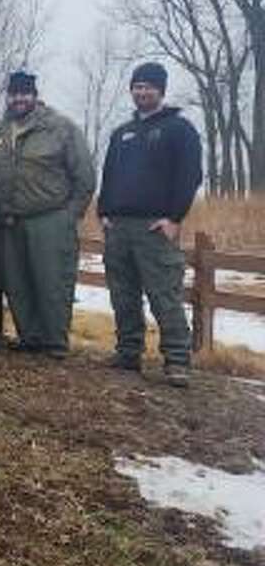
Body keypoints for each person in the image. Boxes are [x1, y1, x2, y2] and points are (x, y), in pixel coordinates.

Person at [97, 62, 203, 388]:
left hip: (154, 228)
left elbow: (190, 176)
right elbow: (109, 175)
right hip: (119, 227)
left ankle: (177, 360)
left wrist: (174, 218)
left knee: (164, 295)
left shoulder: (178, 129)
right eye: (137, 86)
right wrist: (103, 212)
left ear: (161, 90)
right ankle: (128, 352)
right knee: (123, 294)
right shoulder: (122, 133)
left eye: (148, 87)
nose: (142, 92)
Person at [0, 71, 96, 359]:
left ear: (34, 95)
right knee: (16, 282)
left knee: (52, 281)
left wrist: (70, 215)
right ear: (7, 97)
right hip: (8, 221)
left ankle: (55, 341)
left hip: (49, 217)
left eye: (24, 93)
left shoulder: (59, 128)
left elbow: (84, 176)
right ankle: (29, 336)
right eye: (13, 94)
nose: (18, 99)